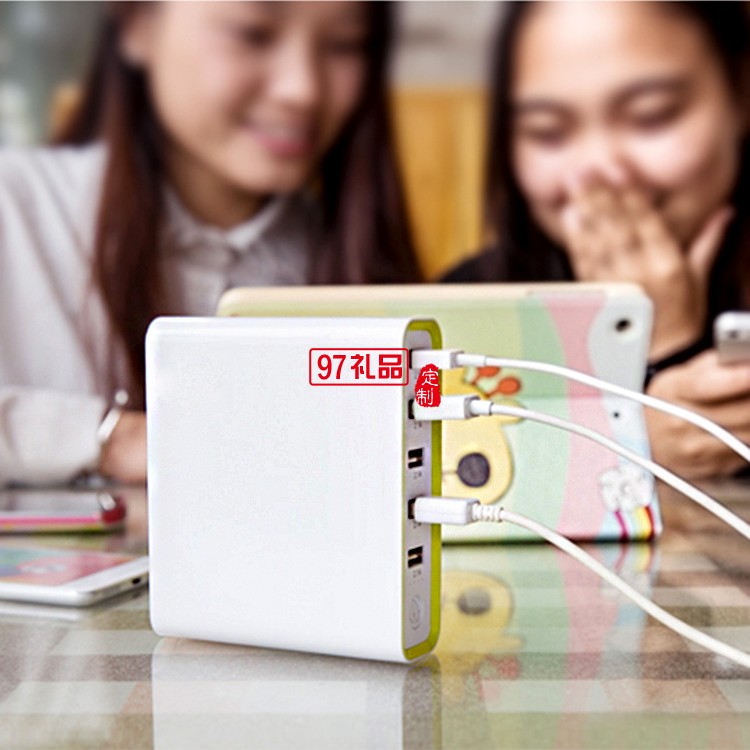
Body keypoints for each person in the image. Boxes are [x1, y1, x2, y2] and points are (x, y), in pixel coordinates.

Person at [0, 1, 419, 487]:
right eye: (252, 33)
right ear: (137, 24)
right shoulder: (17, 210)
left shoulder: (363, 268)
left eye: (345, 45)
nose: (302, 88)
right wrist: (111, 440)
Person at [445, 1, 750, 479]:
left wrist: (667, 352)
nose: (601, 170)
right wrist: (631, 437)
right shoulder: (459, 312)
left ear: (740, 91)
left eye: (652, 116)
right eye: (547, 132)